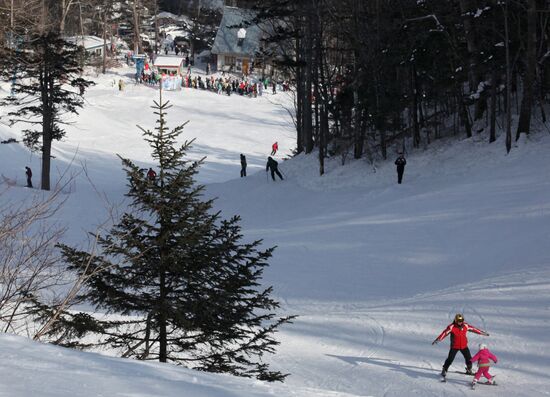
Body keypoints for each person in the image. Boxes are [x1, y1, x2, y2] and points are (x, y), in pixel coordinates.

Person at [432, 313, 489, 378]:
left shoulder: (465, 325)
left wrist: (483, 333)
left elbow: (474, 329)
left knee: (469, 359)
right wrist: (438, 339)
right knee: (450, 359)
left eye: (462, 321)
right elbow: (444, 333)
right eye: (459, 321)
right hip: (454, 347)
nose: (460, 322)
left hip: (464, 346)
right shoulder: (451, 327)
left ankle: (469, 369)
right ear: (456, 320)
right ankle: (444, 369)